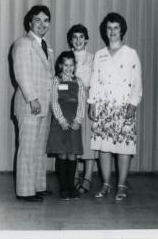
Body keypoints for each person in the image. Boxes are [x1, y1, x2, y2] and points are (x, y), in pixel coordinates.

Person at [88, 12, 142, 201]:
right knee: (104, 148)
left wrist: (133, 103)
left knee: (123, 148)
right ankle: (106, 184)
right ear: (105, 30)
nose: (112, 31)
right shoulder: (99, 55)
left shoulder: (130, 54)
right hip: (104, 108)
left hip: (124, 107)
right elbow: (94, 80)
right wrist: (92, 103)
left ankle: (121, 185)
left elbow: (137, 81)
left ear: (122, 30)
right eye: (109, 28)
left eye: (116, 27)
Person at [12, 5, 55, 202]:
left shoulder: (48, 48)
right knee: (27, 148)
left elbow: (49, 78)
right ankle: (25, 191)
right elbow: (22, 73)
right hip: (30, 104)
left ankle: (37, 186)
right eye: (37, 20)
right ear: (30, 22)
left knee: (38, 149)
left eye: (46, 20)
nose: (42, 24)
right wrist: (33, 98)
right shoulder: (23, 43)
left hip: (44, 106)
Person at [47, 51, 85, 200]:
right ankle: (63, 188)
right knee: (62, 153)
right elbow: (54, 101)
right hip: (60, 122)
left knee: (72, 154)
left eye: (71, 65)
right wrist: (61, 120)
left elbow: (82, 101)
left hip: (74, 121)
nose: (68, 68)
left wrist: (78, 119)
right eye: (65, 65)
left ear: (74, 66)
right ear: (60, 65)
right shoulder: (57, 80)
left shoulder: (79, 82)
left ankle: (71, 187)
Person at [67, 24, 98, 194]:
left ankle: (87, 177)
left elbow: (96, 83)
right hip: (70, 102)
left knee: (88, 140)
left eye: (81, 37)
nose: (78, 40)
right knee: (72, 140)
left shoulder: (94, 58)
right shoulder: (66, 58)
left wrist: (92, 103)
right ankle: (74, 177)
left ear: (86, 39)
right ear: (70, 40)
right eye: (75, 37)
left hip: (88, 100)